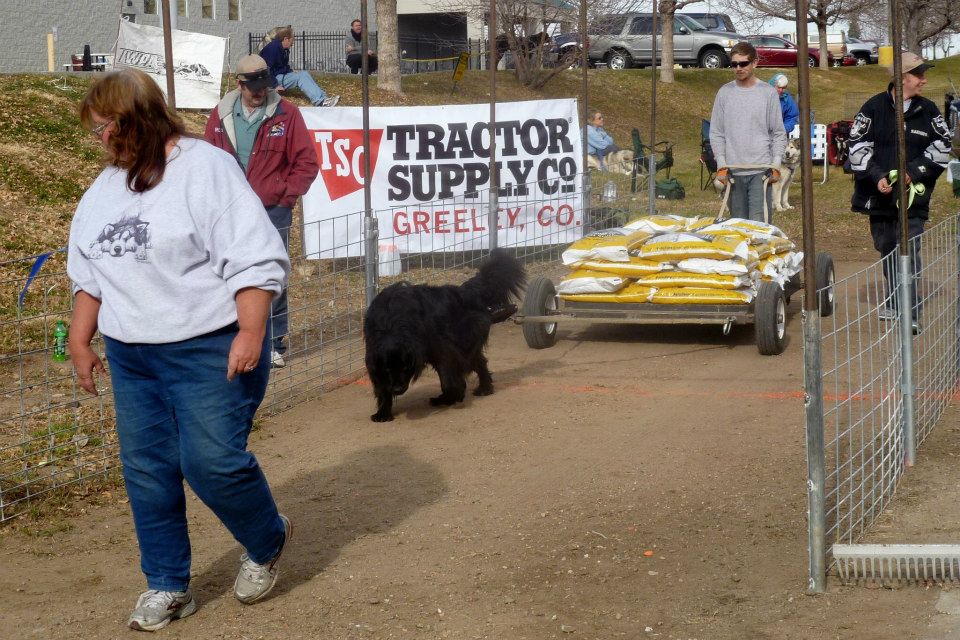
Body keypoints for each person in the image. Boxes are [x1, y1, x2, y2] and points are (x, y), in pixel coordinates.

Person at [67, 68, 292, 632]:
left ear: (133, 121)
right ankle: (168, 583)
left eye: (102, 130)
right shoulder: (105, 188)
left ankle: (267, 539)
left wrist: (251, 331)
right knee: (147, 469)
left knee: (211, 461)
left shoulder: (204, 169)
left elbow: (254, 259)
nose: (97, 142)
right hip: (132, 355)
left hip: (208, 347)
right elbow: (90, 270)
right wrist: (80, 338)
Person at [205, 54, 319, 368]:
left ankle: (273, 342)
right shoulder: (220, 115)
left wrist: (285, 195)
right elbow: (206, 163)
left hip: (272, 210)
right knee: (225, 274)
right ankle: (233, 337)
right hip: (227, 211)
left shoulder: (287, 114)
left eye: (264, 84)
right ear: (239, 83)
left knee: (272, 277)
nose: (259, 91)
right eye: (253, 85)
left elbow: (307, 163)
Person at [849, 51, 952, 333]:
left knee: (910, 248)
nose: (924, 80)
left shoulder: (929, 110)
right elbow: (857, 146)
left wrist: (914, 171)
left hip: (913, 200)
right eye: (918, 74)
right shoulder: (872, 108)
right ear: (901, 78)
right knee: (887, 248)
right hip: (879, 197)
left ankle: (910, 310)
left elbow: (943, 147)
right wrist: (878, 176)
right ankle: (894, 300)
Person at [709, 41, 787, 222]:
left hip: (760, 172)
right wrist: (721, 164)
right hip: (733, 173)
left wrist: (775, 165)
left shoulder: (767, 93)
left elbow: (778, 132)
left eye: (743, 63)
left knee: (759, 226)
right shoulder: (724, 93)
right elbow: (716, 133)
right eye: (734, 64)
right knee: (738, 226)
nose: (738, 68)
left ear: (755, 63)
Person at [260, 26, 340, 107]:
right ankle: (320, 102)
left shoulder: (283, 49)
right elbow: (265, 70)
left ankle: (324, 98)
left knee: (303, 73)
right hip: (271, 80)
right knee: (300, 77)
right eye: (292, 39)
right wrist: (275, 85)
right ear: (286, 39)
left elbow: (282, 66)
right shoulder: (272, 48)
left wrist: (290, 71)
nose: (293, 42)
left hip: (277, 76)